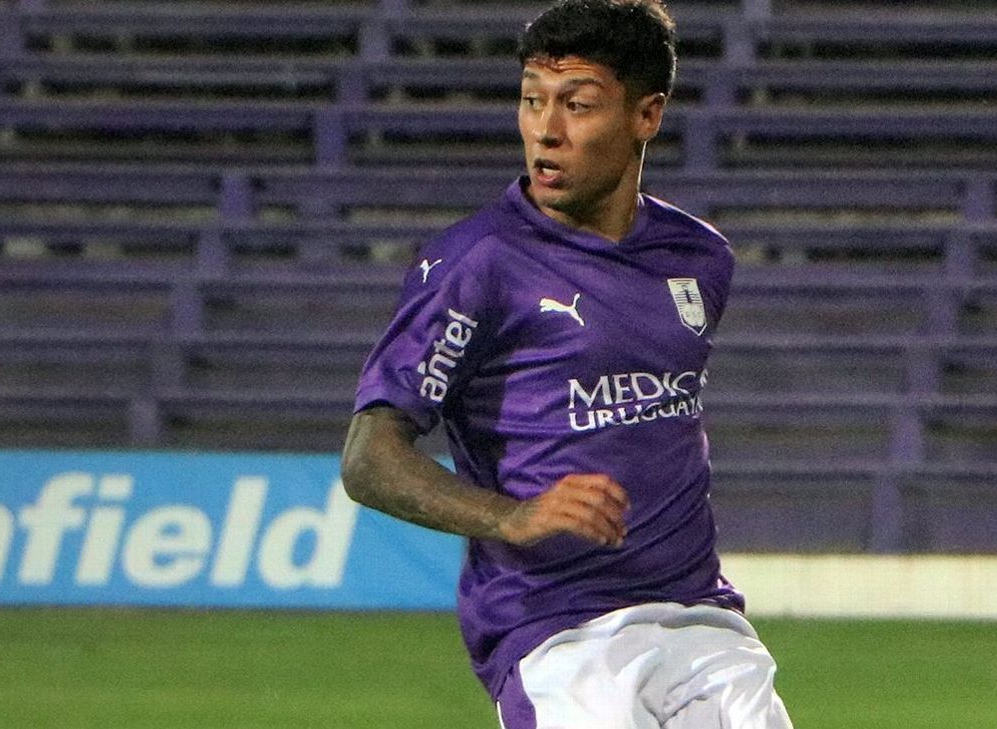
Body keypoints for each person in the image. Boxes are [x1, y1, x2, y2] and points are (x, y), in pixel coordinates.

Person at [340, 1, 794, 726]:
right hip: (559, 633)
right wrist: (513, 516)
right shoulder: (479, 264)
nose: (546, 130)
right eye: (532, 100)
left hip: (702, 621)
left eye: (577, 105)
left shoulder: (699, 258)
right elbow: (369, 458)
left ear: (646, 115)